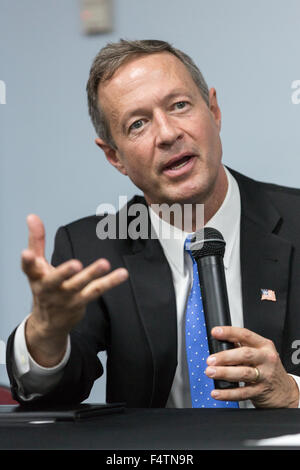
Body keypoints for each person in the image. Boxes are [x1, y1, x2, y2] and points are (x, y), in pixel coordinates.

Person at [6, 39, 300, 409]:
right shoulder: (93, 250)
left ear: (214, 110)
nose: (167, 134)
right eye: (138, 124)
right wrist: (46, 335)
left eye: (179, 106)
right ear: (115, 156)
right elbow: (57, 393)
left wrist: (293, 392)